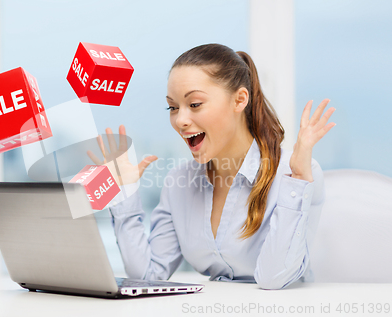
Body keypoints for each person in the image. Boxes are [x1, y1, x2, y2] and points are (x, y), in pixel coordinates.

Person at [87, 43, 336, 290]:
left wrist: (300, 177)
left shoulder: (295, 175)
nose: (180, 120)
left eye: (194, 104)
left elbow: (274, 278)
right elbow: (147, 274)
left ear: (240, 100)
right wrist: (125, 193)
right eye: (172, 107)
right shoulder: (179, 182)